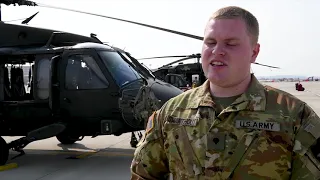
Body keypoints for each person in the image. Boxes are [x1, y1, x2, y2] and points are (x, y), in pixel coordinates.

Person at [130, 6, 320, 180]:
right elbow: (143, 175)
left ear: (254, 52)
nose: (217, 51)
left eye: (231, 44)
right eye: (210, 42)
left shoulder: (295, 116)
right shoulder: (171, 113)